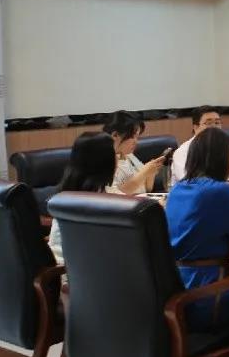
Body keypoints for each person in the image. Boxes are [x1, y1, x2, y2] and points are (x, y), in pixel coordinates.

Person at [164, 127, 229, 331]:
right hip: (210, 296)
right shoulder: (219, 192)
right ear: (221, 159)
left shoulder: (177, 190)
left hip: (178, 293)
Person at [48, 131, 121, 264]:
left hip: (71, 268)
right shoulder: (97, 203)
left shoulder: (67, 196)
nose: (118, 159)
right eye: (115, 154)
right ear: (105, 162)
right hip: (73, 270)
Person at [170, 106, 229, 188]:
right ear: (196, 127)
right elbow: (190, 181)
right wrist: (226, 171)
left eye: (217, 123)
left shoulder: (221, 146)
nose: (214, 127)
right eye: (208, 123)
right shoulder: (183, 152)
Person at [103, 110, 164, 195]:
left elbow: (147, 189)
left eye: (137, 137)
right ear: (115, 135)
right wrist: (144, 172)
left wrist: (151, 173)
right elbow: (114, 195)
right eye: (132, 137)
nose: (136, 142)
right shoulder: (104, 161)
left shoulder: (129, 156)